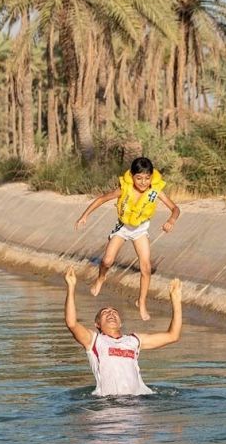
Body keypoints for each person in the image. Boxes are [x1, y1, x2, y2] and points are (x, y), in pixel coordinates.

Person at [75, 157, 180, 321]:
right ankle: (101, 278)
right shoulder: (124, 189)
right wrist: (84, 216)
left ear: (152, 177)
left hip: (140, 229)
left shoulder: (156, 191)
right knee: (107, 261)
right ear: (132, 176)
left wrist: (171, 220)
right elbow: (102, 198)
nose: (143, 182)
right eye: (139, 178)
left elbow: (175, 208)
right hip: (123, 227)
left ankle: (142, 302)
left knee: (146, 268)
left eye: (147, 178)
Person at [63, 266, 182, 396]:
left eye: (114, 312)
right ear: (97, 324)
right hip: (108, 406)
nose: (111, 314)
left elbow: (173, 336)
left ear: (121, 322)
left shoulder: (134, 340)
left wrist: (176, 301)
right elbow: (72, 323)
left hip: (137, 403)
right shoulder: (94, 341)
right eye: (105, 313)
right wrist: (71, 287)